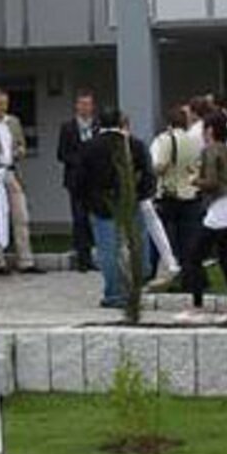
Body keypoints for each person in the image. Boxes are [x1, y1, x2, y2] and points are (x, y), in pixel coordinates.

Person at [72, 108, 150, 309]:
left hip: (102, 205)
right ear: (120, 122)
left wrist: (86, 201)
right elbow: (148, 176)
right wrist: (141, 195)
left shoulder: (89, 147)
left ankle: (114, 293)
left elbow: (79, 180)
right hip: (131, 201)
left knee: (108, 251)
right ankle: (137, 286)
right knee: (136, 244)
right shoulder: (135, 144)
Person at [183, 110, 227, 317]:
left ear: (209, 130)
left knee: (193, 257)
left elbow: (211, 182)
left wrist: (194, 180)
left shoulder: (210, 151)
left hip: (218, 211)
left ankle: (197, 304)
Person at [0, 88, 42, 274]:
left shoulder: (14, 122)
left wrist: (19, 151)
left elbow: (21, 145)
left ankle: (26, 260)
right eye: (0, 103)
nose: (4, 107)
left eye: (6, 103)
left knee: (21, 215)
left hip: (11, 172)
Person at [151, 104, 202, 285]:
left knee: (167, 238)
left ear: (169, 123)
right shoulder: (194, 140)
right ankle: (191, 278)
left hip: (170, 194)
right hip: (190, 193)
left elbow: (160, 166)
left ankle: (170, 275)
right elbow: (196, 167)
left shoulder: (166, 140)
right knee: (189, 240)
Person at [55, 89, 100, 272]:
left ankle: (95, 255)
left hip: (95, 180)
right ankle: (83, 258)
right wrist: (78, 161)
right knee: (79, 218)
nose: (85, 108)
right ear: (76, 106)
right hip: (75, 179)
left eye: (88, 104)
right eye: (82, 104)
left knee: (95, 219)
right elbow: (61, 154)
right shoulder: (68, 127)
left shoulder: (97, 126)